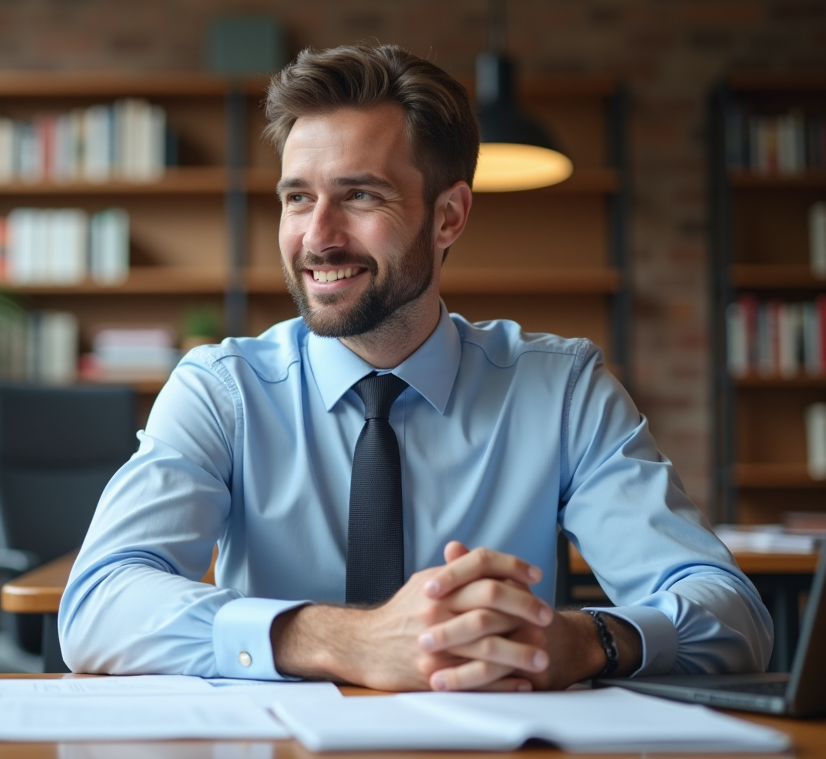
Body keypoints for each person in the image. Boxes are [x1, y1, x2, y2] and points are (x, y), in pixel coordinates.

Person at [58, 43, 772, 691]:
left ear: (449, 217)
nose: (317, 237)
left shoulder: (561, 389)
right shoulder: (222, 391)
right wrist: (346, 640)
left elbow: (735, 615)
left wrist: (587, 641)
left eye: (360, 195)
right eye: (297, 197)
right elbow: (97, 605)